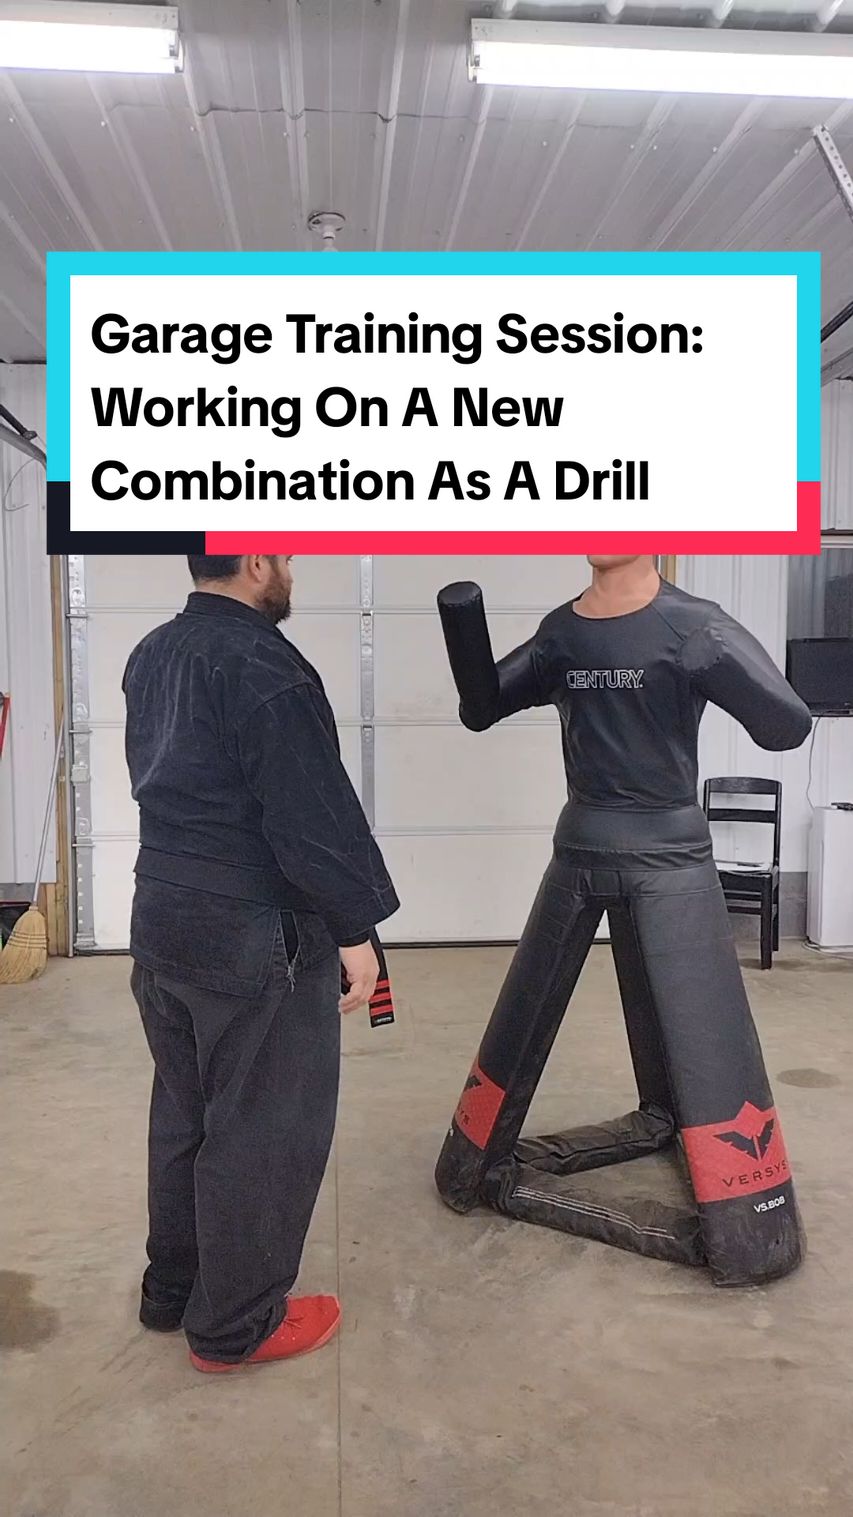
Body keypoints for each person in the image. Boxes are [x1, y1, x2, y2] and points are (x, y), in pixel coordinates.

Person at [434, 553, 812, 1286]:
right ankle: (472, 1163)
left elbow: (786, 725)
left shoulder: (694, 628)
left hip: (668, 857)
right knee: (527, 1011)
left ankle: (748, 1219)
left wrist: (724, 662)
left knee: (702, 1031)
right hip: (581, 844)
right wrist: (462, 623)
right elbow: (479, 707)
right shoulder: (560, 634)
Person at [123, 554, 398, 1373]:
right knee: (262, 1127)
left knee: (186, 1111)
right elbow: (310, 812)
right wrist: (353, 929)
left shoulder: (153, 651)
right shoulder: (264, 665)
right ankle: (234, 1323)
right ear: (254, 561)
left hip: (163, 919)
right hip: (250, 933)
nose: (292, 570)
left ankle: (172, 1288)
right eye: (286, 555)